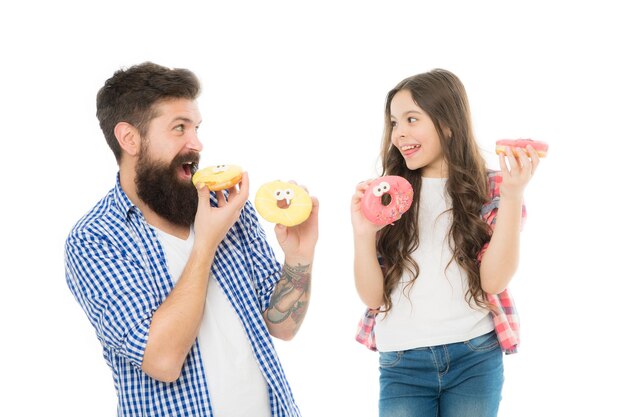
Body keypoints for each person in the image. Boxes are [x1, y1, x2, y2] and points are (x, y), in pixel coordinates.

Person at [65, 62, 319, 417]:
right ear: (129, 138)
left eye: (196, 128)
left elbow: (281, 325)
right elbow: (162, 359)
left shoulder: (226, 204)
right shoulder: (95, 239)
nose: (196, 144)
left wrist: (299, 253)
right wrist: (206, 243)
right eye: (179, 128)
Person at [351, 69, 540, 417]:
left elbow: (494, 281)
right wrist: (363, 234)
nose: (399, 133)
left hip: (475, 357)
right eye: (394, 122)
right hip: (402, 362)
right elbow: (373, 297)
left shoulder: (493, 189)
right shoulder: (386, 195)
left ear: (448, 124)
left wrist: (513, 195)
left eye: (411, 119)